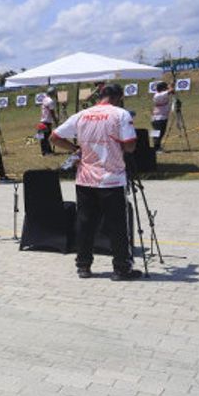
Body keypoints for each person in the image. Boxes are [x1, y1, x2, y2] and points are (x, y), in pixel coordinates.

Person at [49, 84, 142, 281]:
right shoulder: (120, 114)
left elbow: (54, 137)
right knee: (117, 225)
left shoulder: (82, 114)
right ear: (119, 97)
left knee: (85, 224)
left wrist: (75, 148)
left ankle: (83, 266)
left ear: (100, 96)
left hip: (85, 179)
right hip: (111, 180)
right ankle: (121, 268)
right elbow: (131, 146)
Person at [150, 82, 174, 151]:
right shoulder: (158, 95)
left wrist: (171, 85)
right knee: (157, 133)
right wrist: (170, 87)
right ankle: (155, 147)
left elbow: (170, 91)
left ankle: (157, 146)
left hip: (162, 117)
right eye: (165, 88)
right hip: (158, 118)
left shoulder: (162, 94)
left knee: (161, 132)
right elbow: (170, 91)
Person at [39, 89, 59, 155]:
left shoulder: (45, 99)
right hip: (46, 122)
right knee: (46, 138)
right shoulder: (50, 101)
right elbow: (52, 112)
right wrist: (55, 120)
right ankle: (46, 152)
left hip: (42, 121)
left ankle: (47, 151)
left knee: (44, 138)